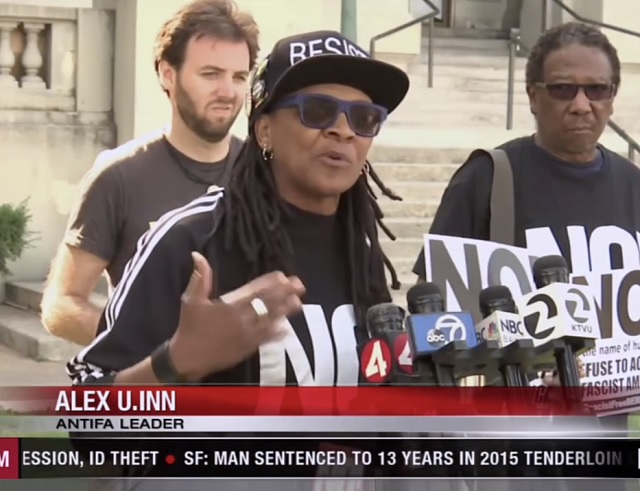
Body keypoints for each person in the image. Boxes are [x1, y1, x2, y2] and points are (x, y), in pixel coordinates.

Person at [68, 22, 407, 422]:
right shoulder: (190, 242)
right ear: (264, 131)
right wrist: (178, 362)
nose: (344, 131)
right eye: (318, 111)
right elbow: (88, 418)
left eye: (364, 118)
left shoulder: (359, 250)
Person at [412, 22, 637, 440]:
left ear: (612, 96)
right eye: (563, 89)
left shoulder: (633, 184)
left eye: (597, 89)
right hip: (507, 442)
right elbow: (435, 316)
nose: (582, 104)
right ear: (534, 96)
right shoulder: (486, 179)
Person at [41, 0, 258, 346]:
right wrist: (152, 349)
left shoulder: (266, 174)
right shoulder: (119, 177)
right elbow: (62, 304)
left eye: (239, 77)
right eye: (210, 74)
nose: (228, 92)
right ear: (168, 74)